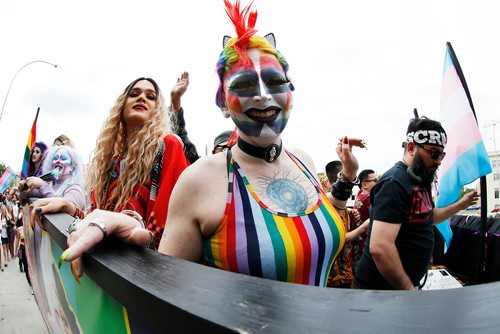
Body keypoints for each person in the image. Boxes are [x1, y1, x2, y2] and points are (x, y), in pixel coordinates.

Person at [41, 0, 365, 287]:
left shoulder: (304, 162)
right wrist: (129, 223)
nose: (264, 94)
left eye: (275, 80)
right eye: (245, 83)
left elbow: (318, 226)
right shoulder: (201, 179)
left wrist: (347, 178)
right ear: (223, 103)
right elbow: (165, 291)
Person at [32, 74, 191, 252]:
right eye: (134, 94)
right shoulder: (111, 161)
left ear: (157, 110)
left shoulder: (168, 145)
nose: (142, 98)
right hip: (107, 266)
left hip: (145, 267)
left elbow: (174, 225)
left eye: (150, 96)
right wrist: (69, 208)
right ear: (122, 105)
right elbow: (100, 223)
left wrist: (139, 229)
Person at [353, 116, 479, 290]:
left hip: (401, 289)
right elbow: (380, 247)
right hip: (379, 292)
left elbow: (427, 217)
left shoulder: (421, 179)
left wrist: (460, 205)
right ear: (411, 148)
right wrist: (409, 291)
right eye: (433, 152)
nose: (439, 160)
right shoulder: (394, 183)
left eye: (441, 154)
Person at [325, 161, 368, 288]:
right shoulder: (326, 204)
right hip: (332, 275)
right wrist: (363, 227)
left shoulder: (341, 205)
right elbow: (339, 237)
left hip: (345, 273)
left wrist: (350, 215)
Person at [18, 145, 86, 210]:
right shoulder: (51, 184)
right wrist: (24, 188)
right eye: (55, 158)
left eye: (63, 158)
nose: (58, 161)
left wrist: (42, 185)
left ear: (72, 167)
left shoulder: (75, 189)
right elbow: (30, 194)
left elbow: (66, 210)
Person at [351, 169, 377, 270]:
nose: (377, 182)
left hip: (357, 247)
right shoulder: (370, 198)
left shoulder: (360, 194)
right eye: (375, 180)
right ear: (365, 184)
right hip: (366, 247)